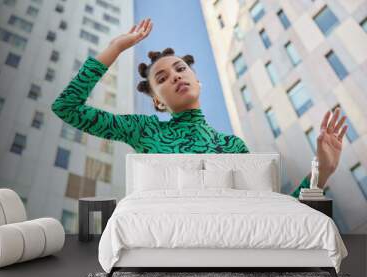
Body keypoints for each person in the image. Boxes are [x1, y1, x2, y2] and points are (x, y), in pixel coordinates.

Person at [51, 18, 348, 198]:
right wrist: (115, 47)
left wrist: (321, 173)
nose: (176, 75)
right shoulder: (145, 129)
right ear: (158, 101)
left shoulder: (231, 145)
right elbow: (67, 107)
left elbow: (274, 213)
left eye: (180, 69)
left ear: (197, 80)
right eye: (162, 78)